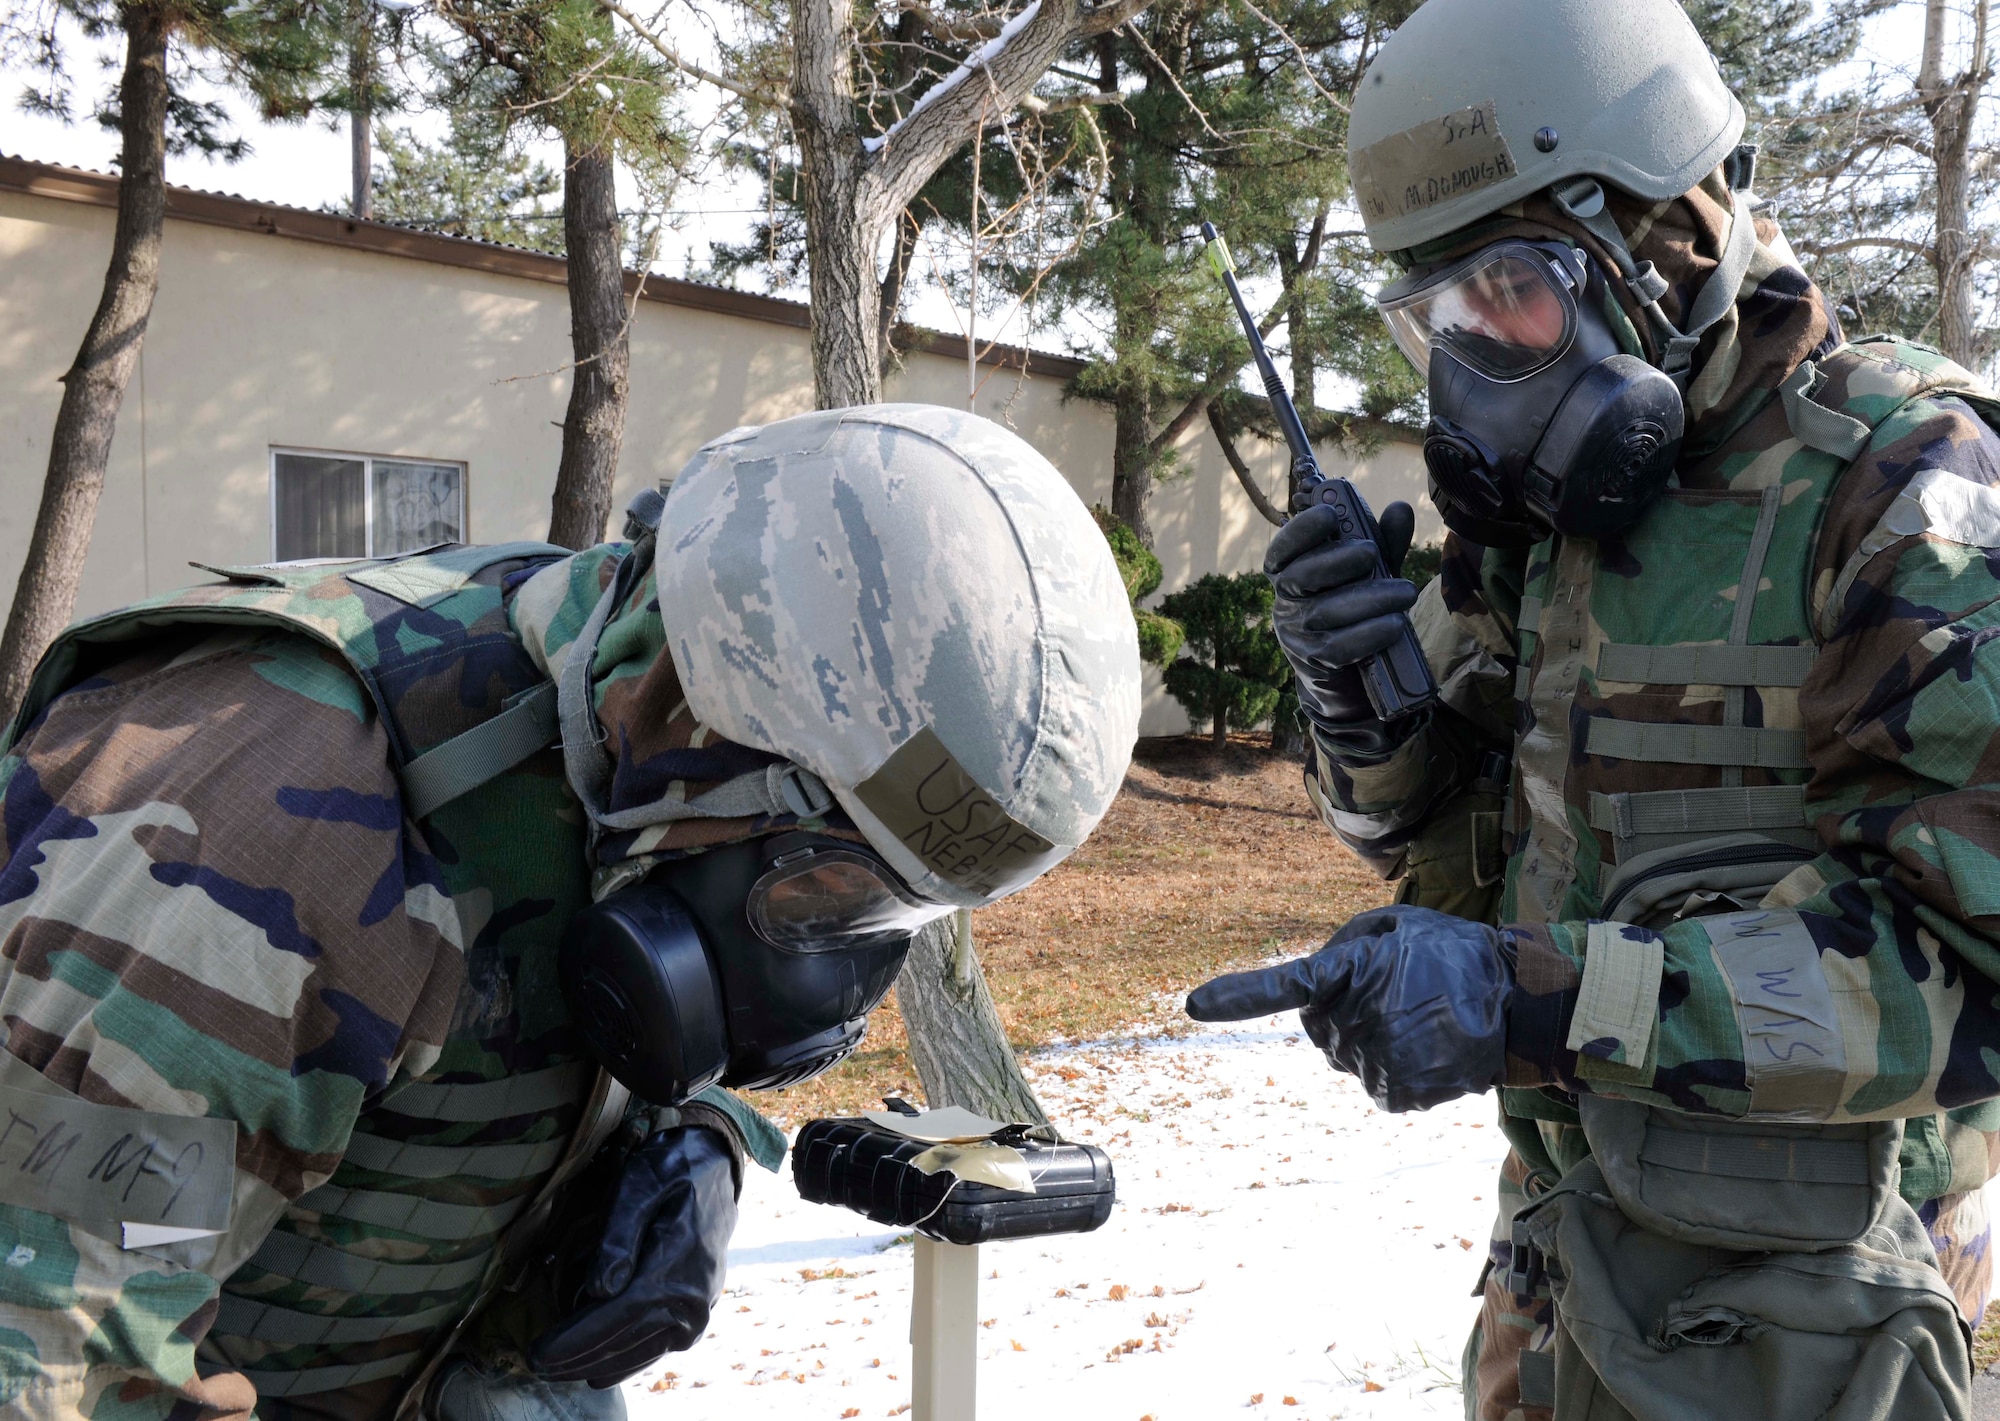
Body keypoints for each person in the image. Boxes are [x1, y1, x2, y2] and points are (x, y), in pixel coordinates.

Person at [0, 403, 1139, 1419]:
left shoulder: (645, 753)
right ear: (690, 710)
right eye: (830, 890)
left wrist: (694, 1143)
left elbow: (631, 981)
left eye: (893, 916)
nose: (829, 977)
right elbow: (49, 1349)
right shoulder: (253, 830)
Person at [1187, 0, 2000, 1416]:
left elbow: (1960, 973)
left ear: (1661, 228)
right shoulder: (1546, 525)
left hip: (1838, 1307)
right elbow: (1463, 861)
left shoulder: (1904, 484)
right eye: (1440, 317)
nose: (1485, 358)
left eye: (1515, 287)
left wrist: (1536, 999)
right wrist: (1368, 720)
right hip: (1569, 1275)